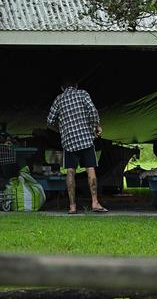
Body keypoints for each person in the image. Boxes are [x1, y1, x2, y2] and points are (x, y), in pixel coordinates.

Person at [47, 78, 108, 214]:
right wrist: (95, 126)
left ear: (62, 88)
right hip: (86, 138)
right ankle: (95, 203)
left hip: (69, 142)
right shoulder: (82, 94)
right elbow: (92, 111)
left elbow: (50, 121)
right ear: (76, 85)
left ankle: (72, 207)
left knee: (70, 171)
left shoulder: (58, 99)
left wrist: (62, 129)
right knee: (90, 169)